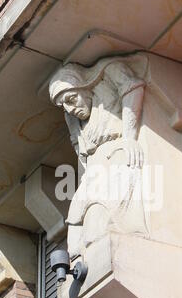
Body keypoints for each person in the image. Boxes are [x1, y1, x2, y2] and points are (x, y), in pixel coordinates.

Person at [49, 55, 149, 261]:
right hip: (94, 170)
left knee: (98, 215)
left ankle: (105, 251)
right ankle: (80, 260)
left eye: (71, 99)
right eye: (63, 106)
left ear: (84, 87)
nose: (69, 108)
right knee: (76, 218)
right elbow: (79, 147)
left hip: (116, 157)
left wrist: (130, 139)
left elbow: (133, 87)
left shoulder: (108, 71)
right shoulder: (72, 118)